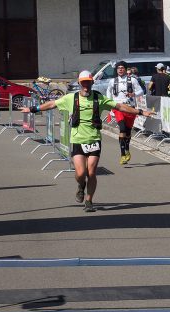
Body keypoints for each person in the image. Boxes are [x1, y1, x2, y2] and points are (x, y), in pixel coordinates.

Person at [20, 70, 153, 212]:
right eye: (83, 83)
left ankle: (89, 201)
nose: (86, 86)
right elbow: (52, 104)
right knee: (80, 173)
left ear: (92, 83)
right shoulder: (71, 98)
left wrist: (140, 112)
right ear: (79, 83)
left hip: (94, 139)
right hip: (77, 139)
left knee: (91, 172)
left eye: (88, 82)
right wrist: (32, 109)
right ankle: (80, 186)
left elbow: (119, 106)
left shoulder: (98, 98)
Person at [106, 61, 144, 165]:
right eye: (118, 68)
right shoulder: (112, 81)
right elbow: (108, 91)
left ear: (125, 69)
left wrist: (133, 94)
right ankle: (122, 154)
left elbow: (141, 91)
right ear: (116, 70)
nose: (120, 69)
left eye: (122, 68)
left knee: (128, 131)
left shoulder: (132, 80)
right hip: (118, 107)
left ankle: (127, 148)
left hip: (130, 108)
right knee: (122, 128)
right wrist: (110, 103)